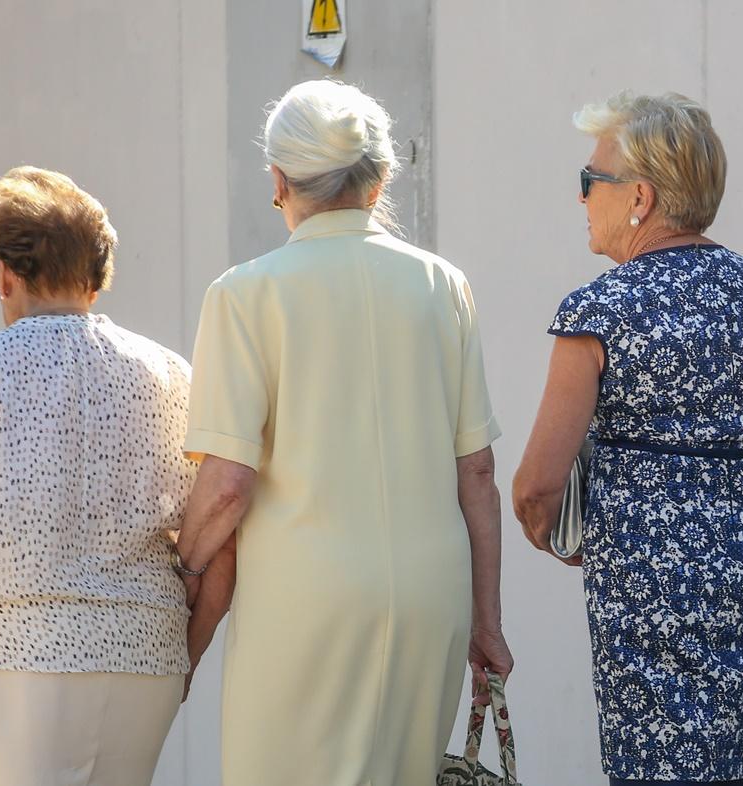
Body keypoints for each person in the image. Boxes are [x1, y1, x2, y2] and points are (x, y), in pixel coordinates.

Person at [172, 79, 514, 786]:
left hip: (303, 599)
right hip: (432, 594)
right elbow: (475, 470)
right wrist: (487, 620)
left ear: (278, 180)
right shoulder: (443, 285)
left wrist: (184, 567)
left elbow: (228, 483)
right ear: (381, 177)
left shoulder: (245, 292)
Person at [513, 91, 743, 786]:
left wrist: (562, 539)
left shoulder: (600, 309)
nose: (583, 197)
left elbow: (536, 486)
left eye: (592, 181)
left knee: (649, 764)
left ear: (639, 197)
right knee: (732, 763)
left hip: (645, 584)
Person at [0, 166, 197, 786]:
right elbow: (203, 533)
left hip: (16, 661)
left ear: (4, 274)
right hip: (145, 665)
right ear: (95, 276)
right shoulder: (169, 374)